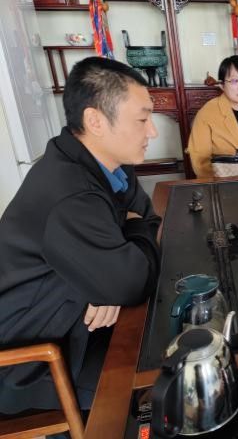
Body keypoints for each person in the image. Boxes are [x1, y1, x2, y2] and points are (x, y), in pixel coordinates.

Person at [0, 57, 161, 413]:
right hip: (32, 358)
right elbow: (132, 281)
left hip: (70, 316)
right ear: (95, 121)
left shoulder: (109, 165)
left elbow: (147, 217)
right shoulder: (70, 191)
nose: (152, 132)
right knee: (147, 379)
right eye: (142, 119)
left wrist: (110, 277)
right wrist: (111, 279)